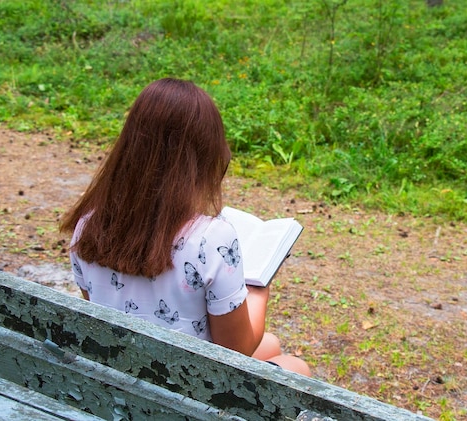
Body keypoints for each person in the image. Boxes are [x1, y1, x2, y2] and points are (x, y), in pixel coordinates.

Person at [60, 78, 310, 376]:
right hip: (188, 390)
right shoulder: (211, 239)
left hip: (121, 375)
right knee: (297, 367)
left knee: (272, 343)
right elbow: (236, 350)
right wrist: (260, 287)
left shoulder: (88, 224)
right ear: (203, 159)